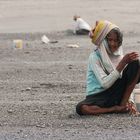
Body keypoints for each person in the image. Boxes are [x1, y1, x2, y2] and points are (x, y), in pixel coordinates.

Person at [76, 20, 140, 116]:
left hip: (117, 94)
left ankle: (124, 104)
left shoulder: (119, 56)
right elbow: (105, 84)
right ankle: (113, 109)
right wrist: (122, 63)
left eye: (116, 41)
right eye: (110, 40)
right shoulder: (95, 57)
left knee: (136, 63)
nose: (113, 44)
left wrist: (130, 100)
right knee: (82, 108)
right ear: (103, 40)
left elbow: (127, 82)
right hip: (99, 96)